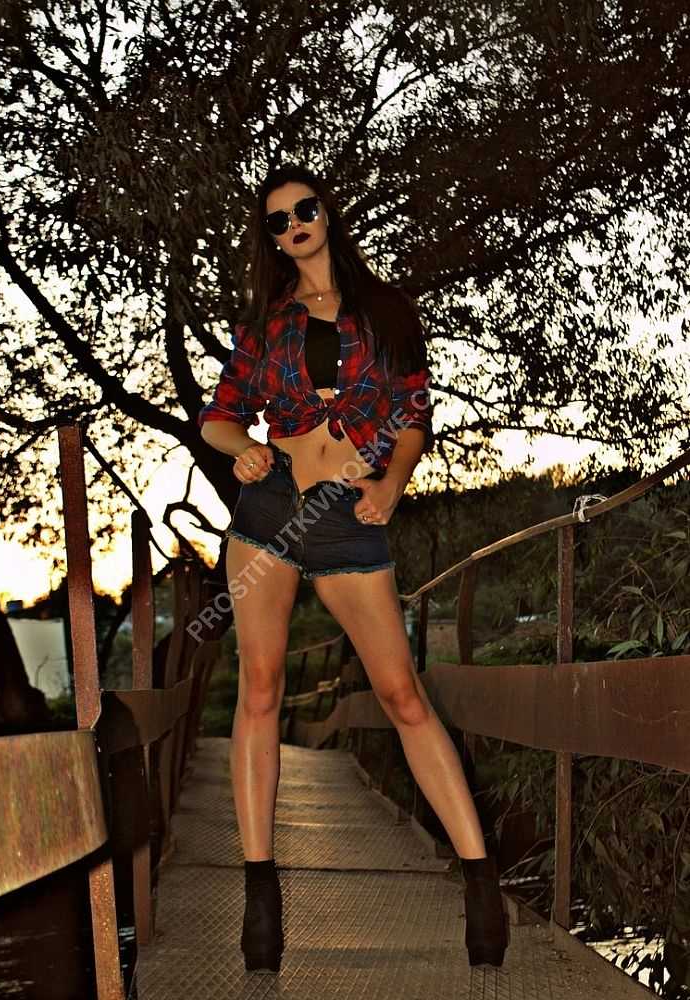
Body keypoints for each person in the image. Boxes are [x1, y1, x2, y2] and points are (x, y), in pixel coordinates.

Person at [198, 164, 509, 973]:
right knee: (260, 688)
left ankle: (480, 881)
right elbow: (217, 418)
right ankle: (259, 893)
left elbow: (414, 414)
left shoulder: (388, 311)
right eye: (277, 221)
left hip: (347, 516)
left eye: (303, 210)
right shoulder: (266, 326)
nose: (293, 225)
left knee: (402, 694)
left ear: (327, 214)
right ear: (271, 240)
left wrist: (393, 484)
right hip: (269, 514)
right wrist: (243, 448)